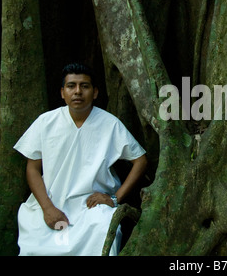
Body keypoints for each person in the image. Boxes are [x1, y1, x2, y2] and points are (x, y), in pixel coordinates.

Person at [13, 63, 147, 256]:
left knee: (103, 228)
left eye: (84, 86)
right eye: (71, 86)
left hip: (91, 207)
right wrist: (47, 208)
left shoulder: (109, 124)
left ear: (95, 92)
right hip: (51, 203)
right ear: (62, 92)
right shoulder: (46, 122)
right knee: (37, 243)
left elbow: (140, 161)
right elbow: (32, 169)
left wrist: (115, 198)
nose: (77, 91)